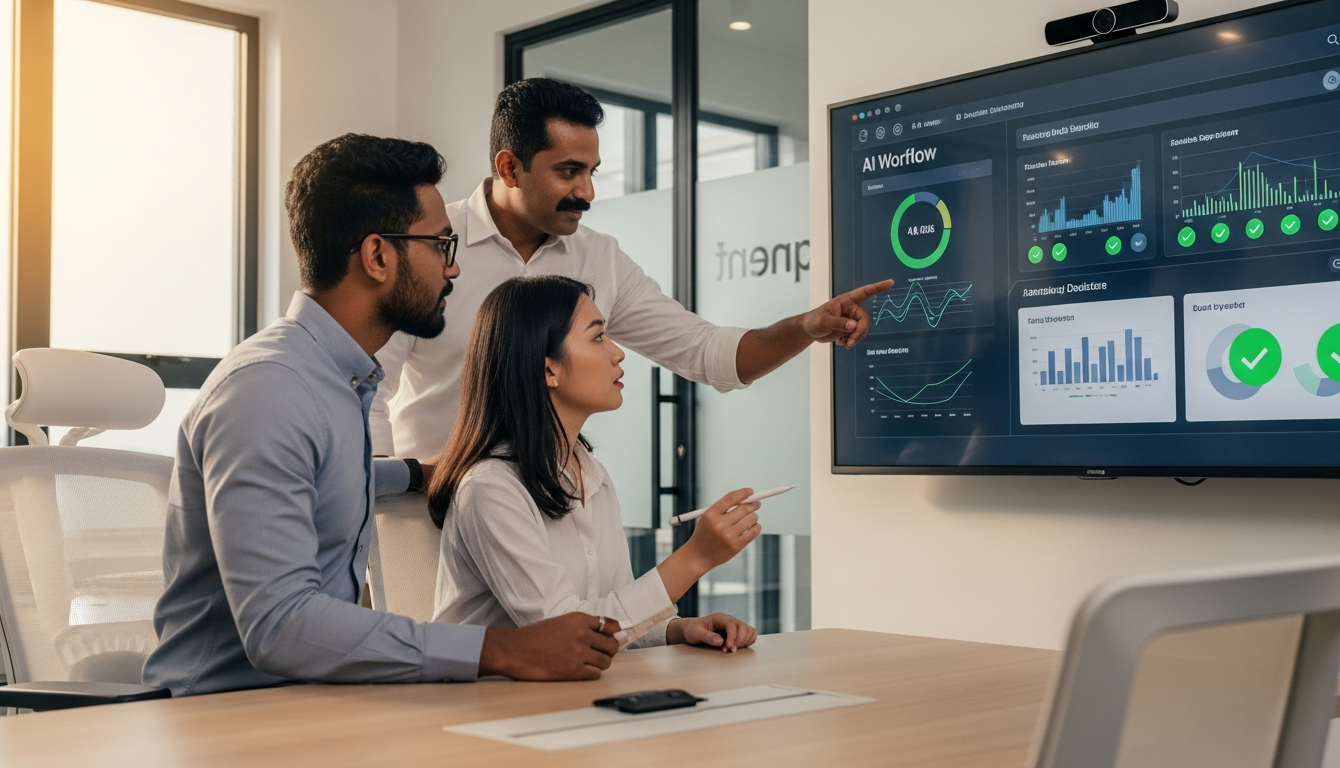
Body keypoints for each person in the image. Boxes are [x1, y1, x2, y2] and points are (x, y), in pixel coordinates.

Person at [144, 135, 621, 697]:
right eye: (442, 244)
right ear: (377, 256)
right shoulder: (269, 391)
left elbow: (326, 476)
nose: (455, 270)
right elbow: (281, 626)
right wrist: (500, 649)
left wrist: (420, 471)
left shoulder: (334, 381)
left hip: (312, 703)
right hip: (226, 716)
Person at [370, 77, 891, 459]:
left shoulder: (600, 257)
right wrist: (388, 515)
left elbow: (707, 353)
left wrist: (805, 327)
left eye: (592, 172)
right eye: (568, 172)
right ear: (509, 167)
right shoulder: (427, 244)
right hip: (431, 522)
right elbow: (369, 391)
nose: (587, 193)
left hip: (553, 521)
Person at [429, 274, 760, 651]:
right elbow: (565, 633)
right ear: (548, 370)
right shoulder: (489, 488)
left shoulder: (591, 475)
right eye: (598, 336)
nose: (617, 353)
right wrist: (695, 558)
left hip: (570, 693)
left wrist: (676, 629)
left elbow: (613, 615)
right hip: (487, 702)